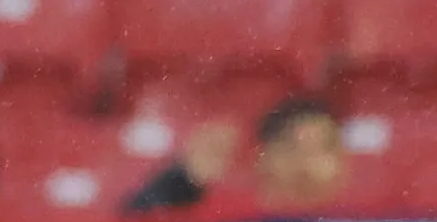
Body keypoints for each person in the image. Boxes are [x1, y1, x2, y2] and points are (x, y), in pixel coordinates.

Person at [129, 91, 346, 213]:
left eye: (323, 150)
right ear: (263, 158)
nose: (307, 164)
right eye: (292, 149)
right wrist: (183, 181)